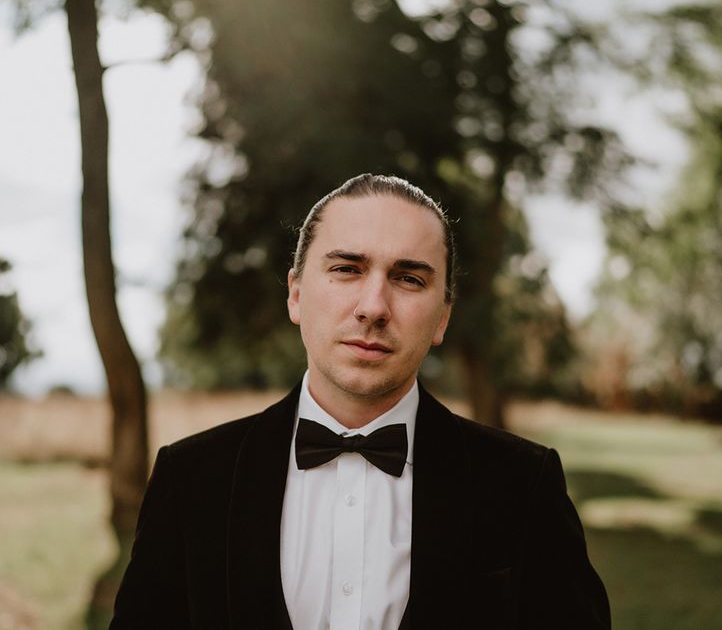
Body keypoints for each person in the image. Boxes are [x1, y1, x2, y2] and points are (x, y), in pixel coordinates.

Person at [110, 173, 610, 629]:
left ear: (442, 318)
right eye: (347, 269)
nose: (373, 307)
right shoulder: (191, 478)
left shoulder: (523, 484)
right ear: (296, 295)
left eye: (409, 278)